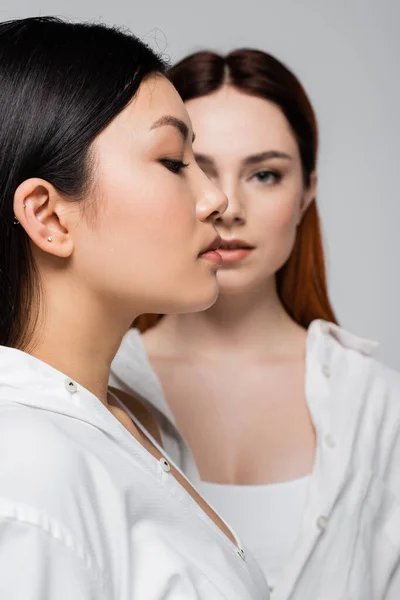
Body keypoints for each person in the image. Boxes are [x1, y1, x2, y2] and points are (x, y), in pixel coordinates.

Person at [110, 49, 400, 599]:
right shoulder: (98, 385)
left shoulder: (379, 406)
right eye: (189, 167)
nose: (227, 204)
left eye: (264, 174)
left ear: (307, 190)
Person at [0, 21, 270, 600]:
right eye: (174, 162)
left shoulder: (136, 421)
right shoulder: (23, 467)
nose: (216, 198)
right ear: (48, 217)